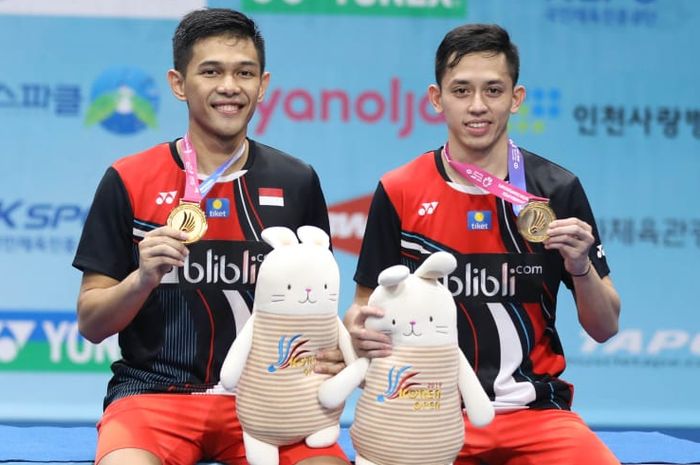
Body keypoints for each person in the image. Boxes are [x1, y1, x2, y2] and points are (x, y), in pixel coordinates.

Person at [72, 8, 349, 465]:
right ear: (179, 83)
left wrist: (334, 352)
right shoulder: (128, 178)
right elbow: (91, 323)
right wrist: (142, 278)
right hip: (152, 396)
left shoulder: (297, 180)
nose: (229, 86)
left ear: (263, 84)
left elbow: (315, 310)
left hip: (267, 403)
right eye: (211, 71)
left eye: (245, 72)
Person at [344, 23, 622, 465]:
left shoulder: (557, 190)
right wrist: (358, 330)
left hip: (535, 415)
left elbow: (605, 327)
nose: (478, 106)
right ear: (437, 99)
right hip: (425, 411)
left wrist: (580, 266)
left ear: (516, 98)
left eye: (493, 90)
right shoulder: (399, 190)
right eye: (461, 91)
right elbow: (362, 309)